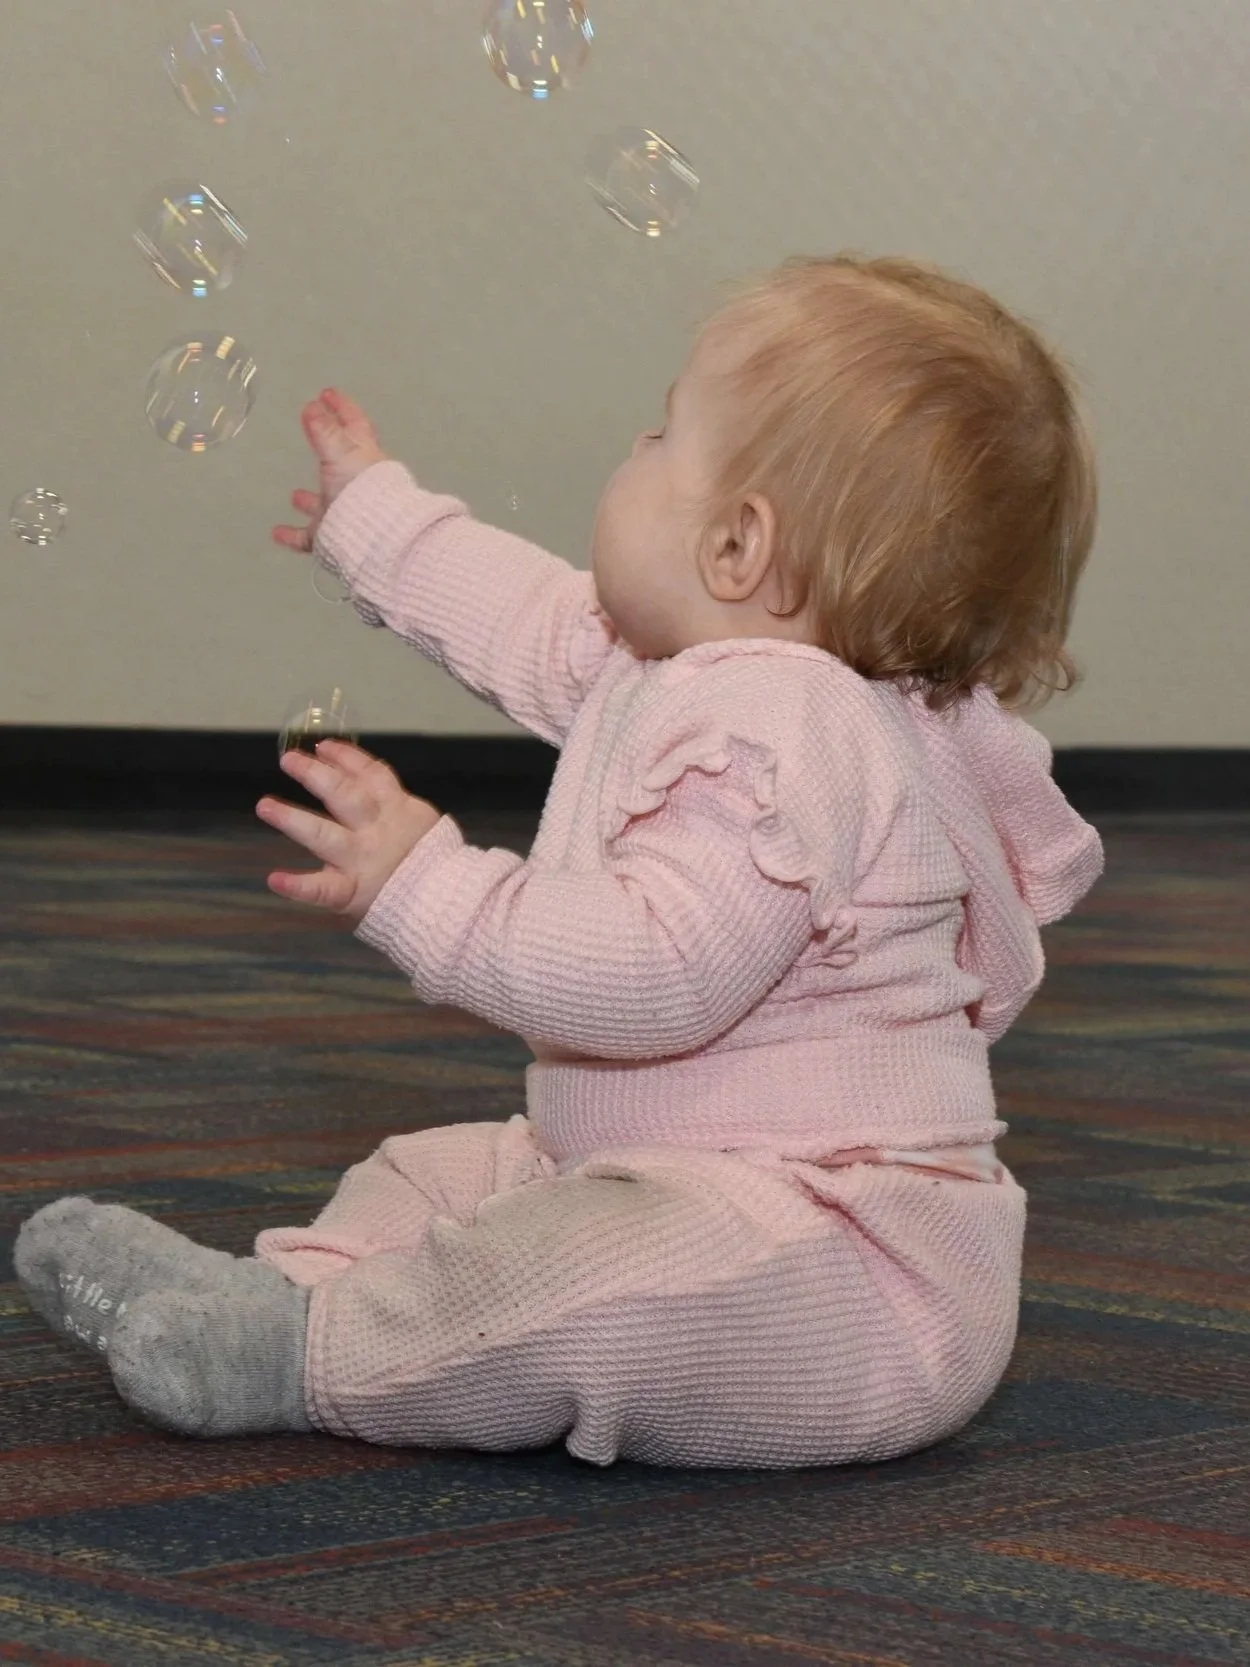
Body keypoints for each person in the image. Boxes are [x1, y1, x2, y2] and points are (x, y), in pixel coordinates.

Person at [15, 254, 1103, 1469]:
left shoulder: (790, 743)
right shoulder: (692, 670)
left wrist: (421, 880)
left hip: (836, 1265)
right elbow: (528, 618)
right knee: (430, 1177)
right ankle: (284, 1295)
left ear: (738, 545)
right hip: (668, 1167)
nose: (632, 445)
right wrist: (377, 522)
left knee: (587, 1270)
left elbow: (654, 975)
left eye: (660, 433)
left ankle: (302, 1355)